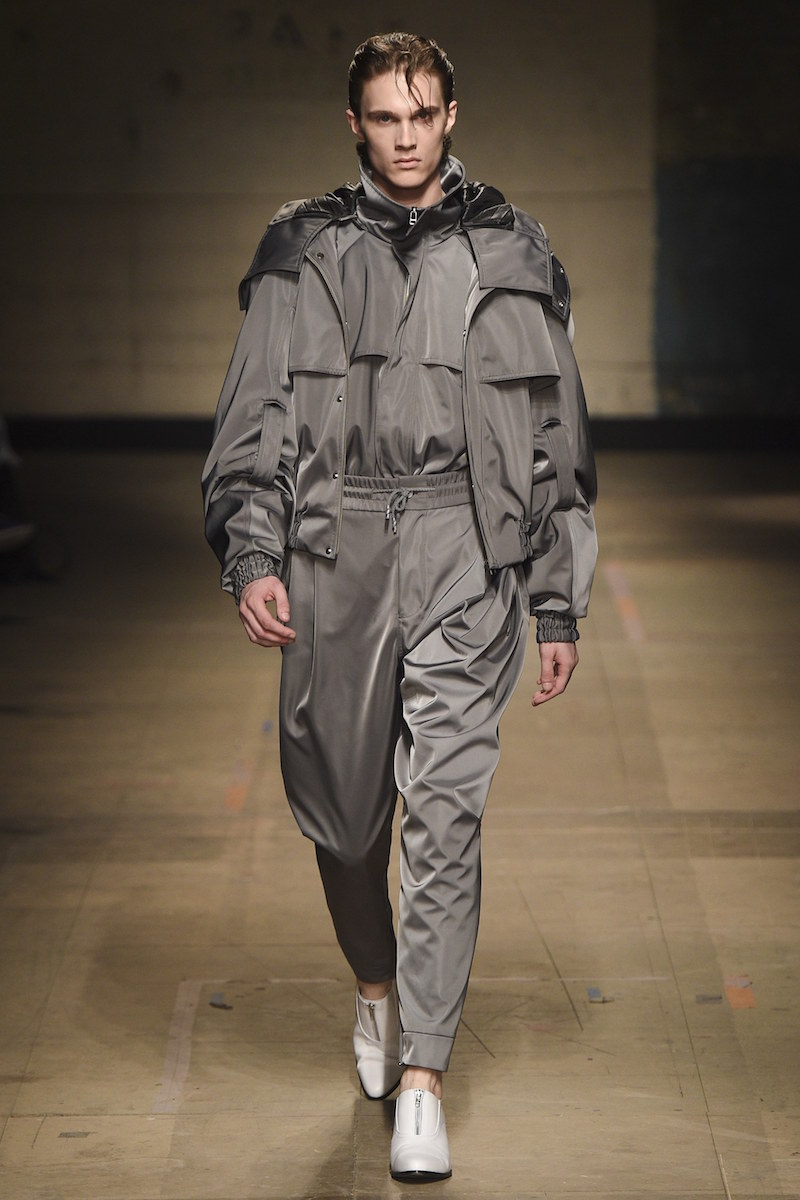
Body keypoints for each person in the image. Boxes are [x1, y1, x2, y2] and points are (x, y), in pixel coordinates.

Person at [203, 32, 597, 1182]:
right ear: (355, 125)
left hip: (464, 543)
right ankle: (375, 986)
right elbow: (254, 413)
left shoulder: (511, 249)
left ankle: (422, 1072)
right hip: (335, 548)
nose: (407, 136)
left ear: (450, 113)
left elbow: (553, 436)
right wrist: (253, 549)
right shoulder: (303, 251)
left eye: (423, 114)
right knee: (343, 821)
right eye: (385, 117)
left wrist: (556, 602)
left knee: (444, 812)